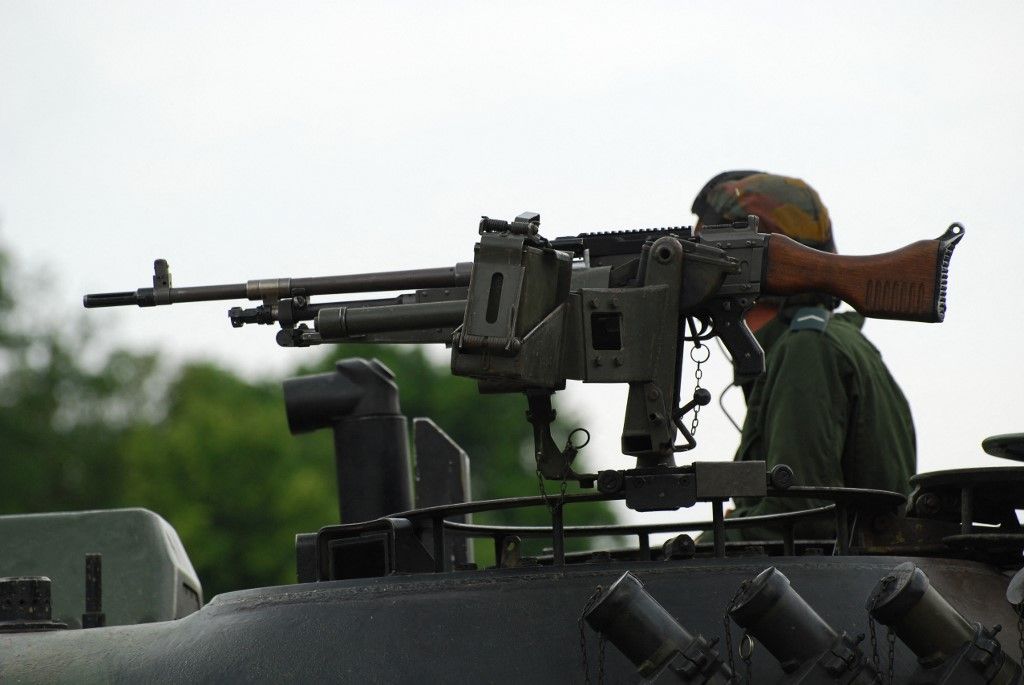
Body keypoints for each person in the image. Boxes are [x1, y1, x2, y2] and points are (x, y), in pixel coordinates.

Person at [691, 171, 916, 540]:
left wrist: (694, 550)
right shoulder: (826, 340)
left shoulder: (807, 351)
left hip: (836, 592)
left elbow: (800, 519)